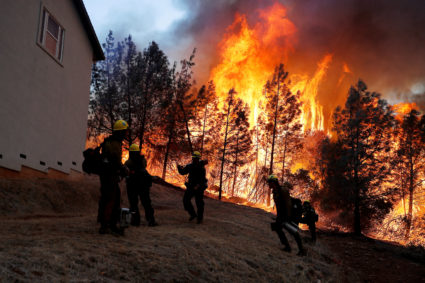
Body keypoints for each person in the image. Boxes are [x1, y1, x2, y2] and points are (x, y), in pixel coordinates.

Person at [98, 119, 128, 235]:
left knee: (106, 198)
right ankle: (108, 225)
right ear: (119, 132)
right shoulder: (115, 143)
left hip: (105, 175)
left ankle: (105, 223)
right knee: (112, 200)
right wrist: (123, 169)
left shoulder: (109, 142)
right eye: (124, 132)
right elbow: (115, 160)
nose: (125, 134)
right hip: (110, 175)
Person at [267, 175, 306, 256]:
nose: (268, 185)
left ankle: (302, 250)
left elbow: (288, 204)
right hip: (281, 215)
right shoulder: (275, 192)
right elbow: (278, 206)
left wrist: (288, 217)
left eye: (269, 183)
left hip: (288, 215)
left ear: (273, 182)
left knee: (293, 232)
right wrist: (278, 217)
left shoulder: (283, 190)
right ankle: (287, 247)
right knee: (277, 228)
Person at [125, 144, 157, 227]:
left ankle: (136, 221)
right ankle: (151, 220)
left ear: (130, 153)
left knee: (133, 204)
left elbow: (126, 172)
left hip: (132, 185)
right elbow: (144, 167)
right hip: (143, 185)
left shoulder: (128, 162)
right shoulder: (143, 160)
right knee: (146, 203)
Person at [177, 151, 208, 224]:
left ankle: (199, 219)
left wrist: (198, 186)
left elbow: (202, 179)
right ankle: (193, 214)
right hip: (192, 187)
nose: (194, 159)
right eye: (193, 158)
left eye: (195, 158)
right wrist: (179, 168)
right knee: (186, 200)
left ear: (198, 159)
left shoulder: (201, 168)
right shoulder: (191, 166)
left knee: (199, 203)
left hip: (198, 188)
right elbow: (182, 172)